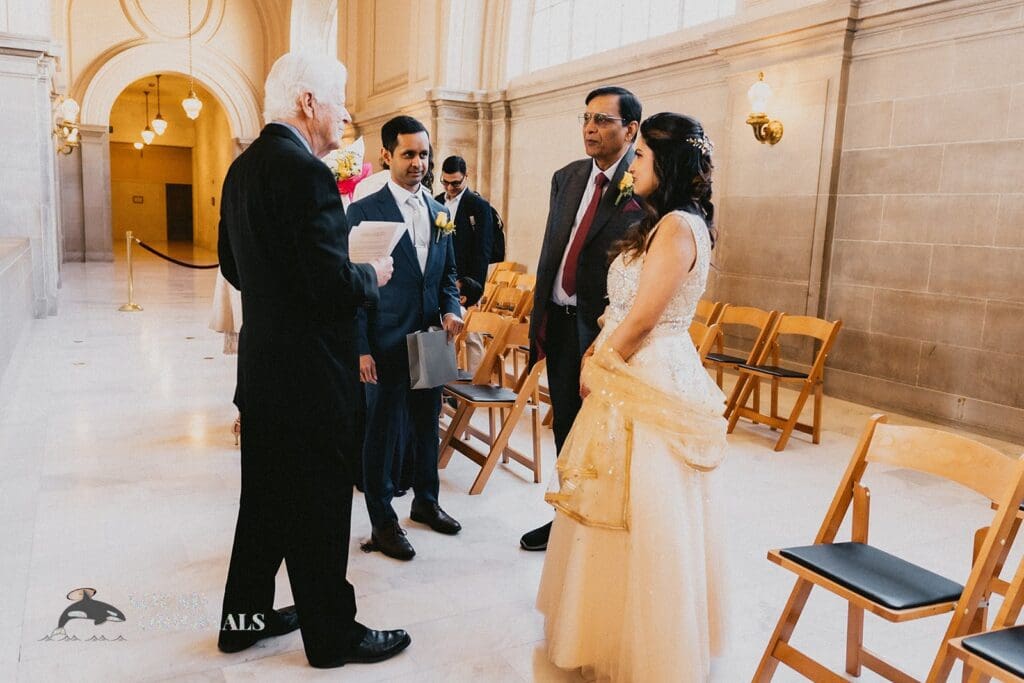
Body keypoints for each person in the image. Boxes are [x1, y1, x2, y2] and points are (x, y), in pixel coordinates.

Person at [216, 52, 410, 669]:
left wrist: (292, 279)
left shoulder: (243, 168)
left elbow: (232, 267)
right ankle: (333, 638)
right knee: (322, 509)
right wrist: (371, 273)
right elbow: (330, 285)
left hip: (263, 371)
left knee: (264, 503)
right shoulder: (307, 173)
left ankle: (242, 622)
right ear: (307, 102)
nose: (345, 113)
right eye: (338, 100)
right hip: (312, 378)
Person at [537, 113, 728, 682]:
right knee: (612, 496)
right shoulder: (661, 222)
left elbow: (645, 317)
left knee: (646, 501)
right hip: (628, 364)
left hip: (648, 372)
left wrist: (599, 361)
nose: (633, 164)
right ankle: (600, 626)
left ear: (666, 163)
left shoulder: (677, 227)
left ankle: (649, 644)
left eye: (641, 154)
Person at [522, 86, 644, 551]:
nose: (590, 128)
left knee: (602, 432)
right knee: (566, 424)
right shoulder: (568, 177)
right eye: (587, 118)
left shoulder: (642, 180)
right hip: (559, 320)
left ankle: (597, 526)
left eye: (603, 120)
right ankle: (565, 517)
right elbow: (550, 251)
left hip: (603, 331)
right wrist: (539, 316)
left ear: (630, 130)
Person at [347, 115, 464, 562]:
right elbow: (355, 287)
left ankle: (426, 502)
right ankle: (382, 521)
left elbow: (447, 275)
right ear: (387, 155)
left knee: (426, 424)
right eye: (408, 154)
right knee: (382, 431)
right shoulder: (364, 210)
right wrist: (360, 347)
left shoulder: (440, 212)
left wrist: (451, 309)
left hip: (431, 338)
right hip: (384, 339)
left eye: (424, 154)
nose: (418, 163)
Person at [434, 155, 494, 287]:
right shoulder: (437, 201)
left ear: (466, 176)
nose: (450, 188)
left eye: (455, 183)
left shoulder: (479, 206)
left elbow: (483, 252)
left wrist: (473, 288)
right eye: (445, 182)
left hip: (462, 279)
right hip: (437, 277)